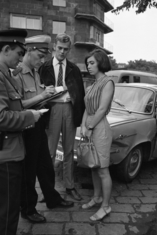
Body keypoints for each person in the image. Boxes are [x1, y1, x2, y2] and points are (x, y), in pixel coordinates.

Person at [0, 29, 41, 235]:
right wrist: (31, 116)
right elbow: (0, 118)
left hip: (5, 151)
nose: (21, 59)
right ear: (6, 49)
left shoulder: (4, 73)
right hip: (4, 154)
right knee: (7, 212)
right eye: (18, 53)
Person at [12, 35, 74, 224]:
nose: (41, 61)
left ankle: (52, 199)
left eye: (43, 57)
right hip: (27, 126)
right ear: (29, 51)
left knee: (46, 166)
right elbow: (19, 104)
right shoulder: (17, 74)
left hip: (38, 124)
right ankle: (28, 209)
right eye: (39, 56)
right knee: (28, 171)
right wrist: (42, 97)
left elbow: (37, 97)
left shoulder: (36, 71)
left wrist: (46, 96)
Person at [39, 33, 85, 201]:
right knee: (49, 152)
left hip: (69, 109)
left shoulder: (74, 69)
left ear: (69, 50)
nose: (63, 52)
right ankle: (48, 189)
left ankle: (69, 186)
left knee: (68, 151)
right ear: (54, 47)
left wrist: (81, 116)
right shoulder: (44, 67)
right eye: (60, 48)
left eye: (66, 49)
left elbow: (80, 94)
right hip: (52, 110)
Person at [81, 49, 114, 221]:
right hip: (90, 127)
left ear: (101, 62)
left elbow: (101, 109)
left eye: (92, 63)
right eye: (87, 63)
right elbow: (87, 109)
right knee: (93, 166)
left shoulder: (108, 82)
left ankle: (106, 206)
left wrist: (90, 126)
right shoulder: (91, 85)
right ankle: (97, 197)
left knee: (102, 169)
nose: (89, 66)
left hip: (100, 128)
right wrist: (82, 126)